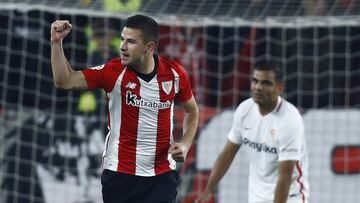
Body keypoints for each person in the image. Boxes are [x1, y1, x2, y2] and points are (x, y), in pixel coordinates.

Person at [50, 14, 199, 203]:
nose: (122, 46)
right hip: (120, 175)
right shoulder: (113, 72)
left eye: (130, 42)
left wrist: (185, 144)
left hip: (161, 175)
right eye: (122, 39)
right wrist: (56, 42)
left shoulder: (174, 74)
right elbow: (65, 81)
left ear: (149, 47)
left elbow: (192, 110)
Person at [195, 62, 309, 203]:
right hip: (256, 197)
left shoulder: (290, 120)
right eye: (255, 81)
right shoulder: (245, 110)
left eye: (266, 83)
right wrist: (208, 190)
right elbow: (227, 154)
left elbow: (285, 176)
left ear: (279, 88)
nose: (258, 87)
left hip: (290, 197)